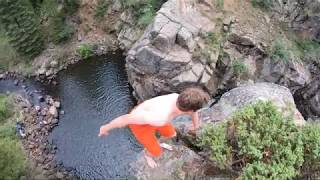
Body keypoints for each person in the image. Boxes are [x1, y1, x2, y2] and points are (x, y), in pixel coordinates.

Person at [98, 87, 210, 168]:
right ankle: (148, 156)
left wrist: (196, 127)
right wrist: (106, 127)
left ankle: (158, 143)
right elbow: (125, 119)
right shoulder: (158, 117)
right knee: (156, 152)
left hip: (157, 118)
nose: (194, 113)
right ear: (188, 110)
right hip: (140, 124)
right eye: (194, 110)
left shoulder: (178, 98)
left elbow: (193, 112)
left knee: (171, 134)